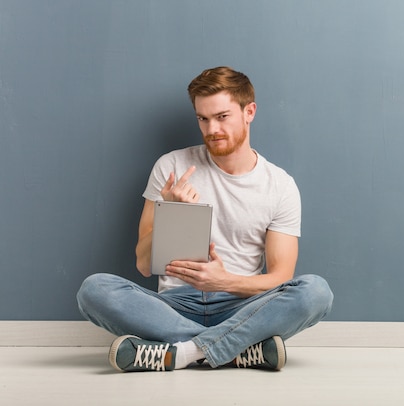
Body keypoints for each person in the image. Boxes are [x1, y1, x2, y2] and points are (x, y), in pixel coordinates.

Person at [76, 66, 333, 372]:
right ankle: (237, 351)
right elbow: (143, 265)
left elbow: (280, 278)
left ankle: (182, 353)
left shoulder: (280, 185)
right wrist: (169, 212)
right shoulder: (171, 166)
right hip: (173, 306)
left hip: (240, 306)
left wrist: (224, 281)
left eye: (222, 116)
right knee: (94, 290)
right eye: (203, 118)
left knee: (316, 292)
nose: (212, 129)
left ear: (249, 111)